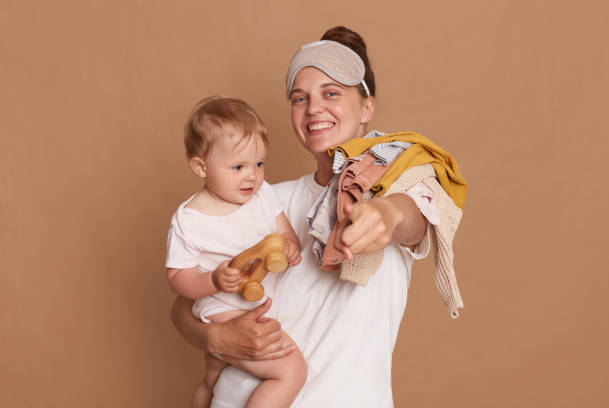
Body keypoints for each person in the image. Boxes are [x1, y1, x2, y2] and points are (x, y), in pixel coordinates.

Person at [171, 26, 465, 407]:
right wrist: (213, 338)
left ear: (367, 107)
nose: (313, 109)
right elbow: (183, 306)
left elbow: (413, 218)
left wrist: (385, 215)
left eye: (332, 93)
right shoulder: (261, 200)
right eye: (299, 98)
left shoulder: (399, 182)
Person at [166, 96, 307, 408]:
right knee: (291, 370)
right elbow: (178, 278)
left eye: (259, 164)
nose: (251, 176)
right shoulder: (190, 219)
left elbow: (284, 233)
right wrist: (213, 281)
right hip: (220, 309)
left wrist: (290, 247)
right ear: (201, 166)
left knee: (214, 379)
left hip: (253, 300)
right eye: (238, 166)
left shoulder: (264, 196)